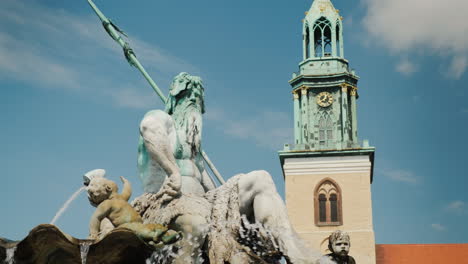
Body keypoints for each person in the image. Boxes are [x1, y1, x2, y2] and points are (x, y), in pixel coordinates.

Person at [137, 72, 318, 263]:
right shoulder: (162, 119)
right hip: (168, 202)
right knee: (198, 225)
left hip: (204, 201)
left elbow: (206, 181)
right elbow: (149, 128)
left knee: (261, 179)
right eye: (187, 94)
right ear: (174, 98)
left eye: (197, 98)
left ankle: (292, 252)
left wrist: (227, 201)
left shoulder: (193, 144)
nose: (192, 99)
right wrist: (172, 171)